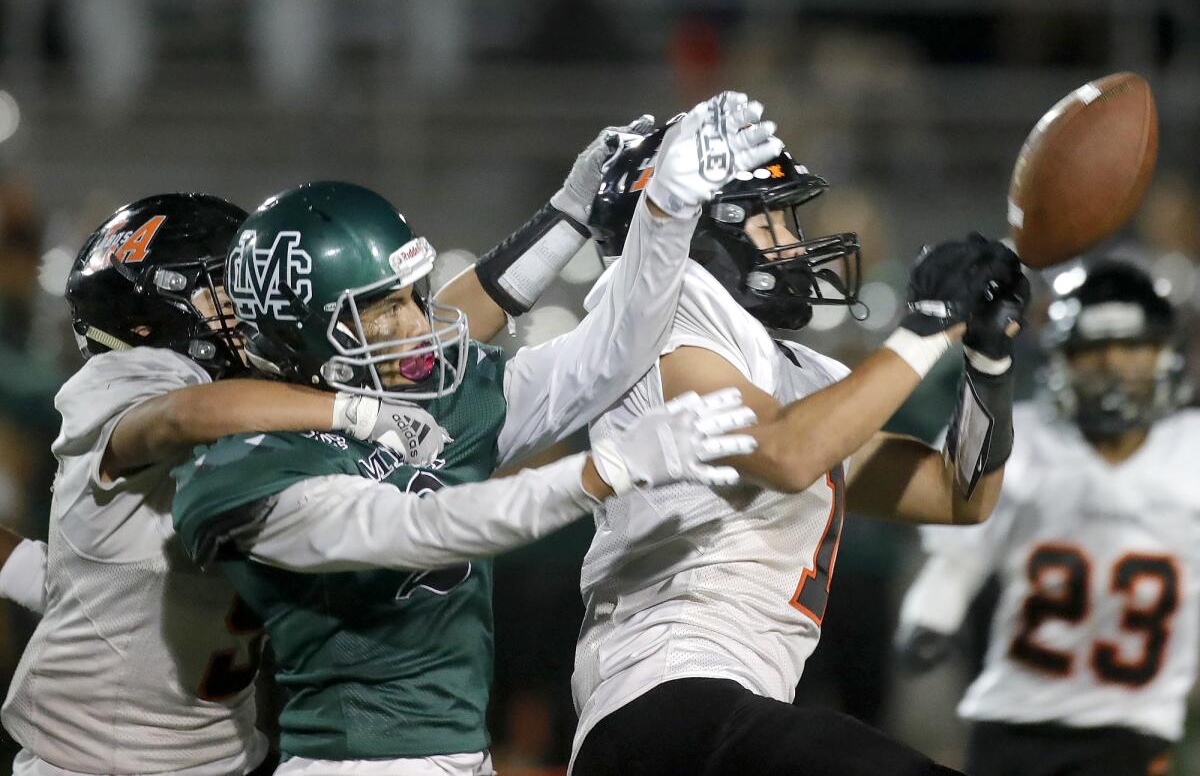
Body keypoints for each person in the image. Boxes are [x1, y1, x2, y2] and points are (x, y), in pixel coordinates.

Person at [0, 112, 658, 775]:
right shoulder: (136, 382)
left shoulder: (261, 392)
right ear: (145, 318)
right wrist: (356, 410)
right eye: (220, 293)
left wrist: (564, 216)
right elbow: (178, 417)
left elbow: (412, 344)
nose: (244, 306)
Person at [167, 91, 784, 775]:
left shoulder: (432, 395)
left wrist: (667, 213)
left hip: (463, 756)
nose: (416, 324)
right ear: (300, 330)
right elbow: (431, 526)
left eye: (413, 296)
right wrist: (603, 470)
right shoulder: (248, 462)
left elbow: (608, 354)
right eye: (384, 311)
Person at [564, 126, 1030, 776]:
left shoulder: (783, 381)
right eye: (773, 221)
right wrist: (925, 331)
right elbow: (788, 453)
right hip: (665, 706)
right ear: (702, 232)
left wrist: (988, 360)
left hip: (726, 719)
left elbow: (960, 493)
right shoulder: (656, 339)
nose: (796, 244)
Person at [897, 260, 1195, 776]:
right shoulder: (1026, 440)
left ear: (1165, 353)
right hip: (1011, 711)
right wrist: (932, 614)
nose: (1114, 365)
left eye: (1132, 347)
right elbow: (958, 560)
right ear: (1061, 360)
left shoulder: (1190, 449)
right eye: (1092, 351)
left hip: (1133, 723)